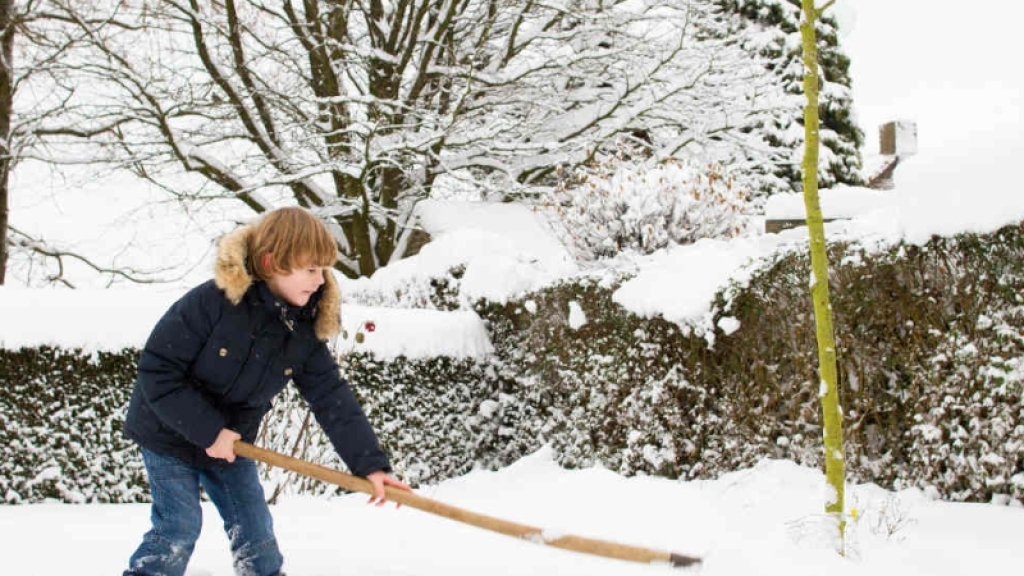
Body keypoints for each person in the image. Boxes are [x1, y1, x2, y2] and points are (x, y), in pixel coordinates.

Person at [122, 206, 410, 576]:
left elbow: (331, 397)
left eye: (323, 269)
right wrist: (209, 431)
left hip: (234, 442)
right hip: (168, 432)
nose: (321, 280)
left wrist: (371, 465)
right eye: (310, 269)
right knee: (178, 526)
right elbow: (158, 371)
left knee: (256, 536)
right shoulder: (213, 303)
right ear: (273, 262)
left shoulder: (303, 330)